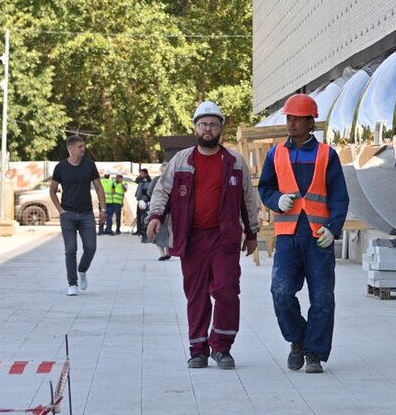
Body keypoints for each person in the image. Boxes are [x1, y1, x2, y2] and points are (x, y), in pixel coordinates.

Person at [146, 101, 261, 370]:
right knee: (195, 294)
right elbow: (163, 191)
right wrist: (155, 217)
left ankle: (221, 347)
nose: (208, 129)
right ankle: (198, 349)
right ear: (195, 128)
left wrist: (252, 231)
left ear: (221, 128)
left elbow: (248, 198)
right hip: (192, 238)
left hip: (225, 238)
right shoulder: (181, 160)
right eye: (203, 124)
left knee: (226, 289)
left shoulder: (234, 162)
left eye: (213, 124)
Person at [258, 93, 348, 374]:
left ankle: (314, 353)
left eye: (299, 119)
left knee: (322, 297)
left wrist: (333, 230)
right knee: (281, 292)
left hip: (318, 236)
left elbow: (339, 198)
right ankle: (298, 340)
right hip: (288, 235)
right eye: (289, 118)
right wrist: (276, 200)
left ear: (312, 122)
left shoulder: (326, 155)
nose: (292, 123)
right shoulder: (276, 153)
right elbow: (266, 188)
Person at [49, 136, 107, 296]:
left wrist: (103, 209)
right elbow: (52, 191)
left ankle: (82, 270)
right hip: (67, 214)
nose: (84, 149)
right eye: (80, 146)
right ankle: (72, 284)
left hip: (87, 214)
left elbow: (99, 188)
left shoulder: (89, 165)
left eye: (84, 146)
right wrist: (60, 210)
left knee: (90, 247)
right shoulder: (60, 167)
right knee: (70, 249)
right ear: (71, 148)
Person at [134, 168, 153, 241]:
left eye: (142, 173)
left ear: (146, 174)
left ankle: (143, 230)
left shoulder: (148, 181)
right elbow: (136, 181)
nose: (140, 175)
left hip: (144, 201)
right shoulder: (141, 180)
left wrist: (145, 199)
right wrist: (139, 176)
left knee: (143, 216)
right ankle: (138, 230)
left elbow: (147, 191)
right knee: (138, 216)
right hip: (139, 200)